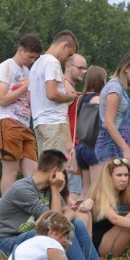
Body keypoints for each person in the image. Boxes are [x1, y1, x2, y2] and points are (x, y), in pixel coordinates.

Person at [0, 149, 101, 260]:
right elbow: (55, 221)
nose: (63, 177)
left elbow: (69, 211)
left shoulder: (47, 187)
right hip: (7, 242)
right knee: (59, 230)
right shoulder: (23, 189)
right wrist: (55, 188)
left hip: (33, 234)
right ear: (54, 171)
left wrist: (65, 221)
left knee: (77, 223)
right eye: (62, 172)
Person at [0, 34, 43, 195]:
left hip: (25, 124)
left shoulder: (27, 71)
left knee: (34, 175)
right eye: (30, 56)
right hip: (7, 120)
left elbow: (28, 101)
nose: (32, 61)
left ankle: (32, 211)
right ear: (21, 50)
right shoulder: (6, 67)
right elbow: (2, 99)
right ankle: (6, 213)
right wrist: (25, 87)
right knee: (11, 170)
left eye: (35, 58)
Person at [95, 52, 130, 201]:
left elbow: (116, 118)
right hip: (110, 146)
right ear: (126, 68)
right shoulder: (115, 88)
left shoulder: (121, 89)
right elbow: (107, 122)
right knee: (112, 196)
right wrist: (126, 149)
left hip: (119, 144)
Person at [29, 30, 79, 157]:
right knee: (54, 168)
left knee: (44, 167)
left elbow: (30, 99)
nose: (67, 58)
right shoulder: (52, 63)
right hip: (54, 122)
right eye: (69, 54)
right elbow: (52, 94)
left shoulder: (36, 64)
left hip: (39, 122)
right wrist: (70, 97)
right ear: (64, 45)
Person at [74, 65, 107, 200]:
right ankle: (89, 220)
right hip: (94, 147)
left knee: (85, 189)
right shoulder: (97, 99)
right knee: (96, 189)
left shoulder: (81, 98)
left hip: (81, 146)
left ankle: (78, 215)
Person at [63, 53, 88, 202]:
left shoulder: (70, 88)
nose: (83, 72)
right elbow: (63, 115)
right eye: (80, 68)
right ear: (68, 66)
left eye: (85, 69)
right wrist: (69, 145)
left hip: (74, 145)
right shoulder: (65, 87)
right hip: (70, 147)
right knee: (74, 192)